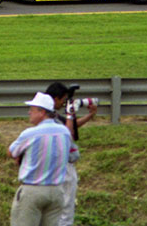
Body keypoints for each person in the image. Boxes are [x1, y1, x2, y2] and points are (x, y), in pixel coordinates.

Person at [8, 92, 72, 226]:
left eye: (32, 109)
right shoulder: (64, 131)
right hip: (57, 190)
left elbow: (12, 152)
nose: (29, 112)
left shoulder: (30, 133)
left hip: (33, 189)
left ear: (42, 112)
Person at [46, 82, 97, 226]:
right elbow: (67, 135)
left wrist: (90, 115)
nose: (64, 104)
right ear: (55, 99)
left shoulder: (49, 115)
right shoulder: (49, 118)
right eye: (63, 100)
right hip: (63, 167)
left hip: (54, 167)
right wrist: (70, 113)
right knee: (65, 211)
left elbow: (71, 126)